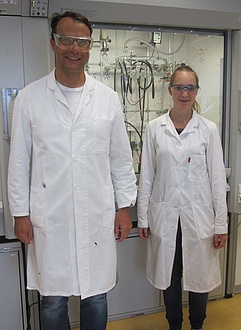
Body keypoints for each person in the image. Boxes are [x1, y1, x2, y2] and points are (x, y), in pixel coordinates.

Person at [8, 11, 137, 330]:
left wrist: (124, 209)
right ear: (53, 43)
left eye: (82, 42)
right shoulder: (29, 98)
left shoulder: (108, 99)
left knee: (96, 296)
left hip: (97, 216)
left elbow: (120, 159)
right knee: (52, 299)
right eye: (66, 39)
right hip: (51, 216)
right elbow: (19, 162)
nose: (74, 48)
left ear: (90, 47)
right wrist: (20, 214)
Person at [137, 65, 228, 330]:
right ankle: (174, 325)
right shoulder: (154, 128)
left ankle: (197, 325)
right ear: (170, 90)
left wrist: (220, 224)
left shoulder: (208, 129)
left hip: (198, 216)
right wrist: (143, 217)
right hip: (165, 216)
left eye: (190, 88)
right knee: (170, 276)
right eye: (179, 87)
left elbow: (217, 180)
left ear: (197, 92)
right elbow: (147, 176)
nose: (184, 93)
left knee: (198, 275)